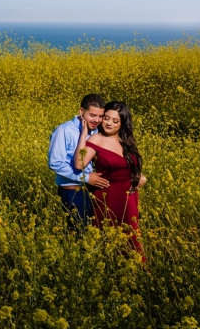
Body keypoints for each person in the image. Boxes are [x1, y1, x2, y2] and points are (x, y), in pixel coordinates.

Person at [74, 101, 147, 260]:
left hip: (129, 197)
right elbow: (79, 163)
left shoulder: (127, 140)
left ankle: (136, 275)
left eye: (115, 121)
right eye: (106, 118)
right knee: (106, 238)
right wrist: (84, 133)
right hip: (107, 196)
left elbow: (133, 167)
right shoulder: (96, 139)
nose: (109, 123)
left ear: (123, 123)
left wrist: (140, 178)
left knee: (132, 239)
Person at [48, 94, 110, 230]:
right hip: (72, 193)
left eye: (100, 116)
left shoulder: (96, 131)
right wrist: (86, 178)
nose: (97, 120)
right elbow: (55, 163)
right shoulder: (64, 130)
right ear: (81, 111)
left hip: (94, 191)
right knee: (78, 234)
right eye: (93, 115)